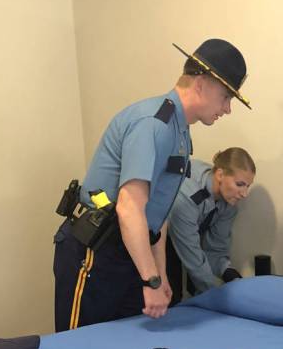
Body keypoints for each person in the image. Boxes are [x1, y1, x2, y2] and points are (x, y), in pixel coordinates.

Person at [53, 39, 251, 331]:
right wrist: (151, 279)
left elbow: (158, 211)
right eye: (226, 97)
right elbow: (129, 207)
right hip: (96, 252)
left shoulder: (180, 131)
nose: (228, 109)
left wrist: (159, 272)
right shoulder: (154, 124)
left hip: (131, 251)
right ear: (202, 84)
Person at [166, 147, 256, 302]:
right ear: (220, 175)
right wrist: (218, 297)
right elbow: (192, 256)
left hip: (183, 239)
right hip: (150, 238)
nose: (244, 193)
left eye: (248, 186)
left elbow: (215, 249)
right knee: (168, 297)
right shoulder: (188, 196)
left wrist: (229, 273)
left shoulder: (229, 203)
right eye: (240, 184)